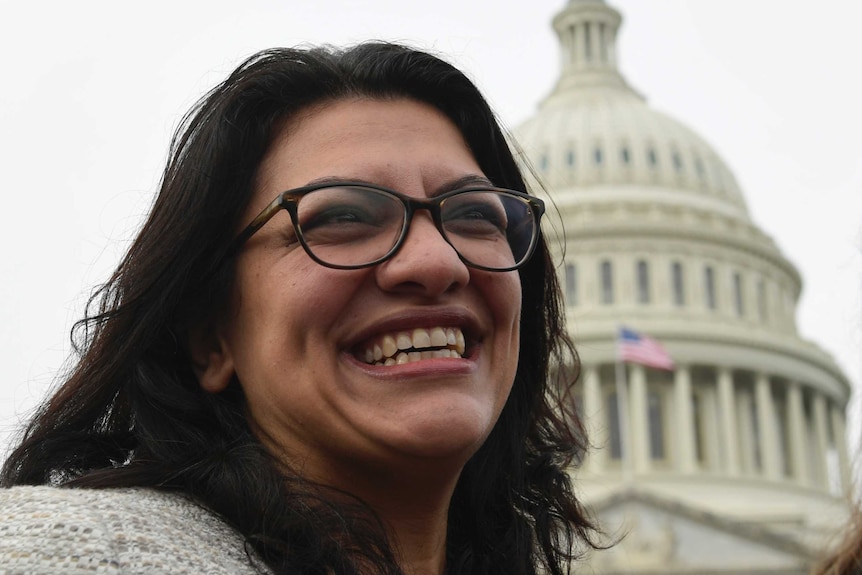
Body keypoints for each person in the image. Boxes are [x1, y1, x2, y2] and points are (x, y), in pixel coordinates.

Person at [0, 42, 599, 574]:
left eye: (475, 214)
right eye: (341, 217)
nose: (437, 263)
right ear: (210, 338)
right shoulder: (72, 553)